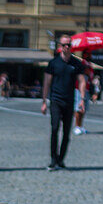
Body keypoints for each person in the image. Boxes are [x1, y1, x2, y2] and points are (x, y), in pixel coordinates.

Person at [41, 35, 81, 170]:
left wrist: (81, 99)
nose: (67, 47)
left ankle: (61, 159)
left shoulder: (76, 63)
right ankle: (53, 159)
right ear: (60, 47)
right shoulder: (53, 63)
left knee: (66, 133)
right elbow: (47, 82)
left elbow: (82, 81)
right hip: (56, 100)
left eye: (69, 44)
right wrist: (44, 101)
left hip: (69, 101)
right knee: (54, 129)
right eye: (64, 45)